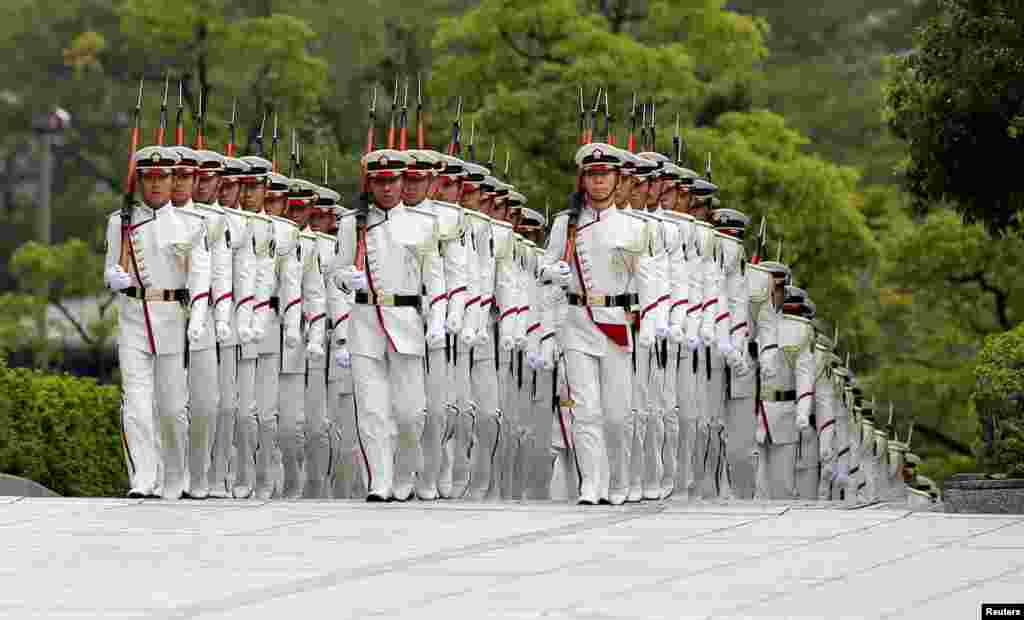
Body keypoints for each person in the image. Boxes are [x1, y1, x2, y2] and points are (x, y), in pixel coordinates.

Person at [540, 142, 657, 505]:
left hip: (615, 325)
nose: (598, 182)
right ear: (583, 179)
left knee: (618, 417)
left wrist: (650, 321)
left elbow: (650, 279)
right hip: (577, 322)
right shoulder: (566, 223)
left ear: (617, 178)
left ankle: (619, 481)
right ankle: (592, 483)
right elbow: (543, 267)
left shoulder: (634, 226)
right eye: (591, 175)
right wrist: (554, 270)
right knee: (585, 410)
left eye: (604, 175)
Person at [328, 149, 445, 501]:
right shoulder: (353, 223)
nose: (388, 188)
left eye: (393, 180)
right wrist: (348, 279)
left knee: (411, 414)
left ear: (402, 181)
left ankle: (405, 474)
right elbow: (335, 271)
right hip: (365, 322)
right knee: (372, 408)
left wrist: (436, 321)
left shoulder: (423, 223)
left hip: (406, 321)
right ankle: (379, 480)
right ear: (370, 183)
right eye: (380, 182)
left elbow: (435, 278)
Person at [104, 145, 211, 499]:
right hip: (133, 317)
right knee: (135, 401)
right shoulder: (120, 221)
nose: (154, 186)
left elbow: (200, 278)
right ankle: (144, 477)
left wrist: (197, 317)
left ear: (173, 180)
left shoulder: (192, 224)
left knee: (172, 408)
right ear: (139, 181)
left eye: (162, 178)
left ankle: (175, 475)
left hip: (170, 320)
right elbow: (110, 267)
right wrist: (113, 277)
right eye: (148, 178)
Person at [402, 149, 468, 500]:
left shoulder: (447, 219)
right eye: (406, 180)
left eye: (417, 180)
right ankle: (406, 470)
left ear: (431, 181)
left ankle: (433, 469)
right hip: (400, 314)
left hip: (436, 315)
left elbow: (458, 274)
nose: (410, 187)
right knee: (406, 405)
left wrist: (453, 313)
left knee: (437, 404)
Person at [276, 178, 326, 498]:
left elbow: (317, 296)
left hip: (296, 346)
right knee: (259, 418)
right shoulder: (271, 235)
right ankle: (265, 479)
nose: (295, 214)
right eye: (289, 207)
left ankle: (296, 479)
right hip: (262, 334)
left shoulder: (314, 246)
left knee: (292, 424)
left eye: (300, 208)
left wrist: (316, 338)